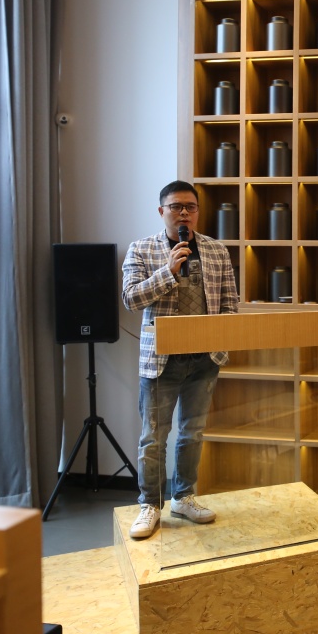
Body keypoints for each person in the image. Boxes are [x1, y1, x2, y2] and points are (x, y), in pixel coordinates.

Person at [121, 180, 238, 539]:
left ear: (198, 212)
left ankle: (183, 497)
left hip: (204, 360)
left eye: (190, 207)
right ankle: (150, 505)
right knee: (153, 438)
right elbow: (131, 299)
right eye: (176, 207)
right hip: (161, 362)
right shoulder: (141, 249)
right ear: (162, 211)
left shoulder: (216, 250)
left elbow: (230, 303)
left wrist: (223, 345)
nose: (184, 213)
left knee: (192, 433)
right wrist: (168, 272)